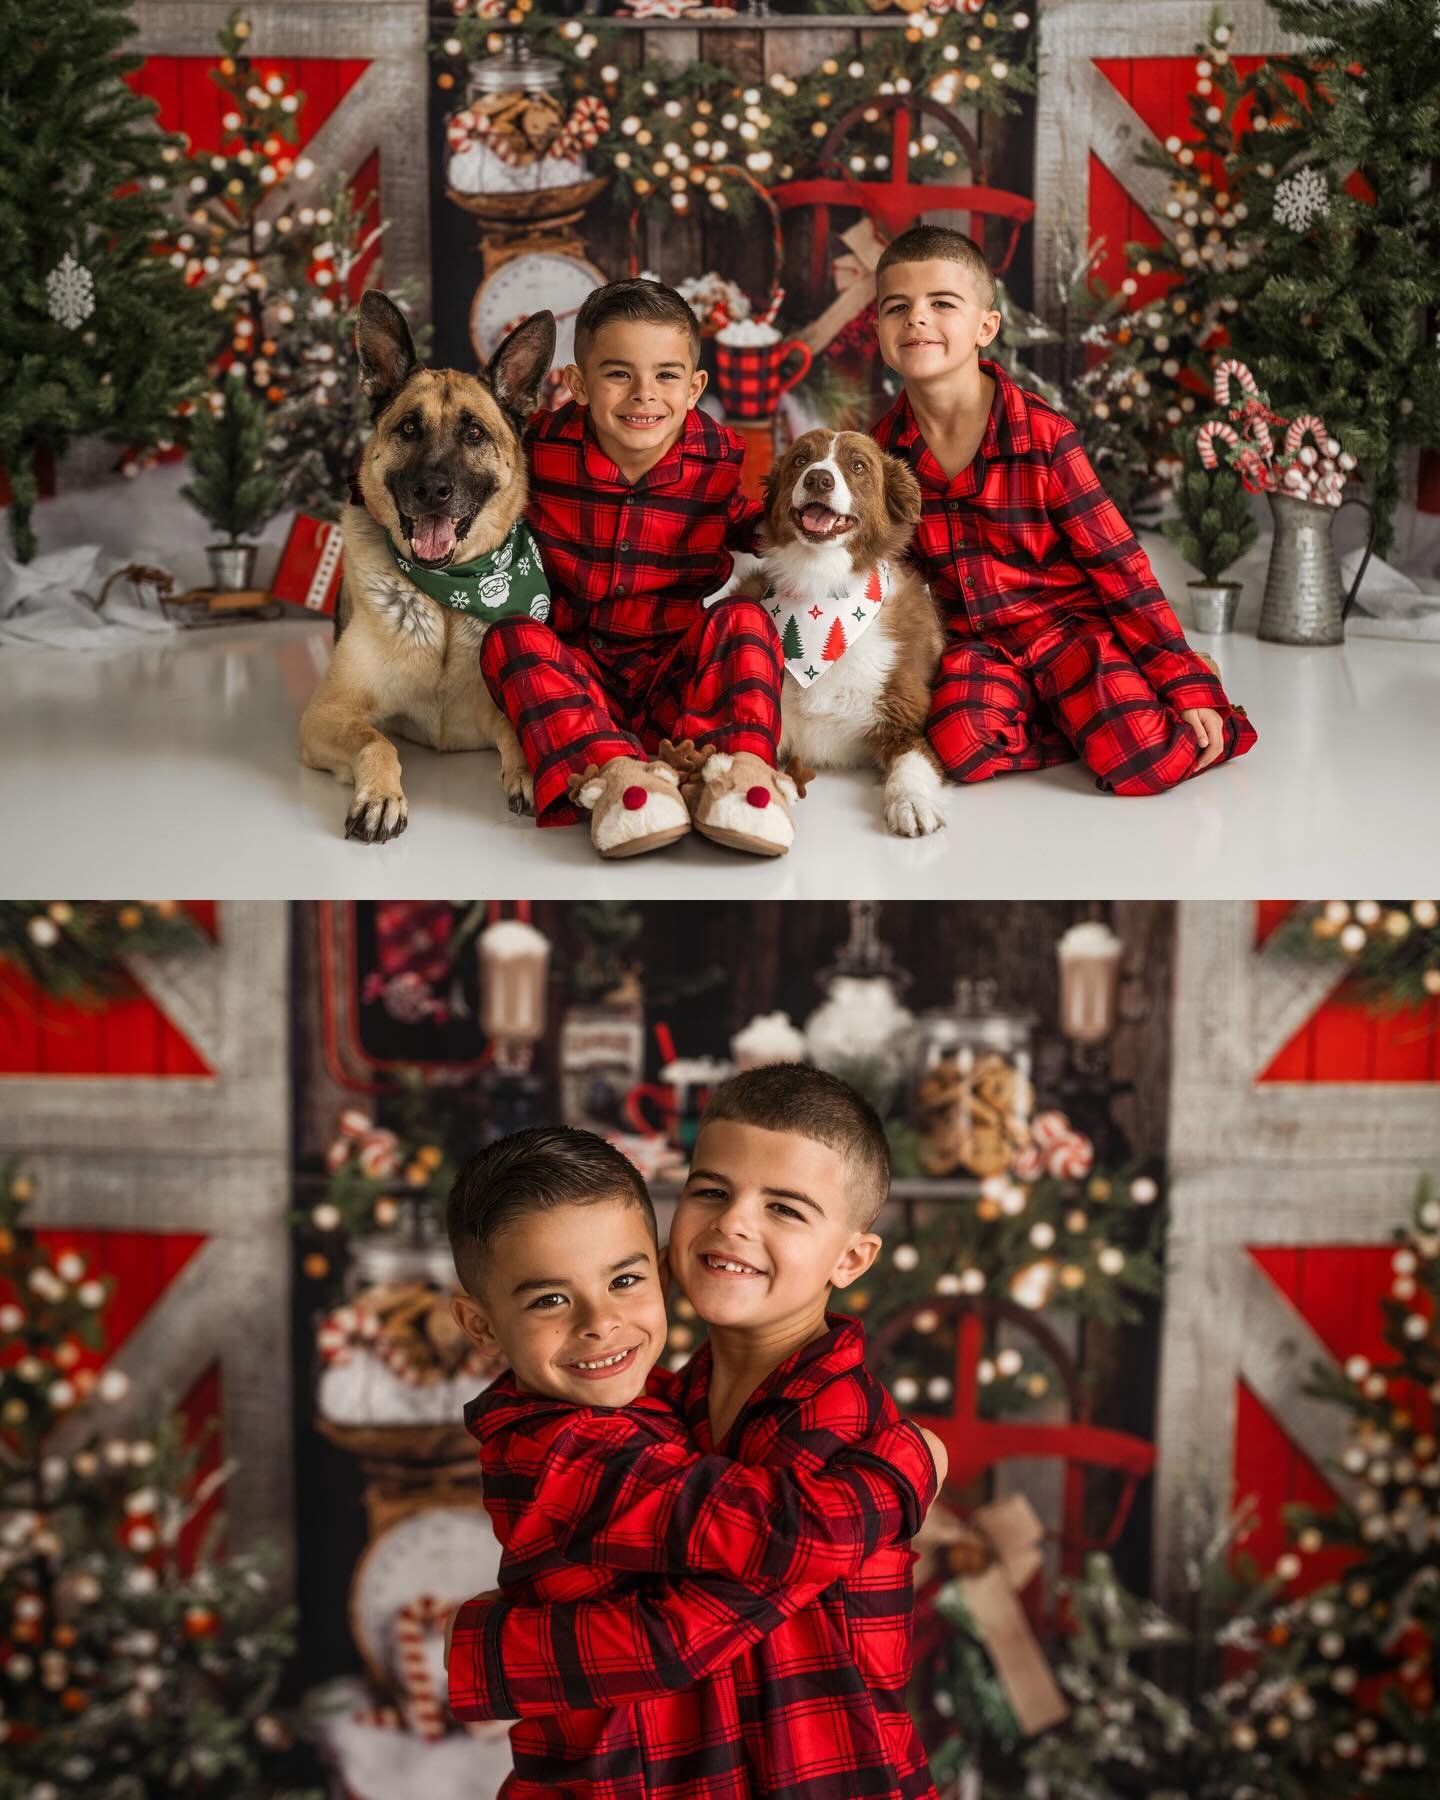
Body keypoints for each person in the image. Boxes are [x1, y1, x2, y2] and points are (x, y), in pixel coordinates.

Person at [444, 1118, 943, 1798]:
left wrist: (507, 1652)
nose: (599, 1321)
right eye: (551, 1300)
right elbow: (785, 1541)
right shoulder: (563, 1448)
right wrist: (917, 1463)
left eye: (624, 1280)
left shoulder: (675, 1403)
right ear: (480, 1324)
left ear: (659, 1271)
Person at [870, 223, 1257, 795]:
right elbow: (886, 570)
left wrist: (1183, 680)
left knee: (1142, 763)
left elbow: (1122, 568)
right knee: (957, 748)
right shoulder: (883, 453)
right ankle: (1075, 722)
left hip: (1070, 631)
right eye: (896, 306)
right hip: (981, 646)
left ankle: (1160, 691)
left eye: (942, 303)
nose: (916, 318)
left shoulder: (1044, 436)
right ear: (876, 326)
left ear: (986, 326)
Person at [478, 278, 800, 858]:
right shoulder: (539, 448)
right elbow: (478, 486)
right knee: (511, 640)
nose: (644, 395)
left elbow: (742, 519)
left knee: (745, 621)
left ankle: (738, 776)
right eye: (619, 373)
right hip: (580, 681)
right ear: (576, 383)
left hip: (675, 679)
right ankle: (617, 778)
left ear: (696, 386)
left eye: (667, 375)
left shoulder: (717, 457)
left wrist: (804, 528)